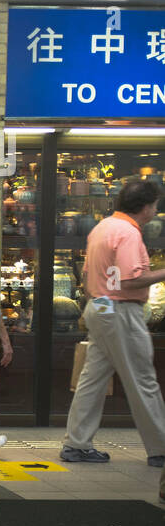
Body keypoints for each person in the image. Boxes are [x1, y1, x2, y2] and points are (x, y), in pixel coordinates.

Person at [62, 180, 165, 465]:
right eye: (155, 205)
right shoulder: (128, 233)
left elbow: (86, 275)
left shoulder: (103, 228)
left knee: (92, 379)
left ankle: (77, 444)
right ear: (145, 207)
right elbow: (131, 279)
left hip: (100, 307)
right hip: (120, 310)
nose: (156, 211)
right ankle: (160, 448)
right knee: (143, 379)